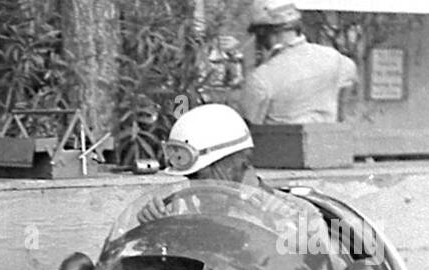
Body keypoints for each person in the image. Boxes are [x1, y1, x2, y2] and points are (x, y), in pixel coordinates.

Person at [107, 103, 329, 256]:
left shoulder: (299, 215)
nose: (195, 185)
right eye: (190, 177)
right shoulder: (179, 211)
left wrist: (275, 226)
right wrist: (153, 231)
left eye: (201, 175)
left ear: (233, 161)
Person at [239, 0, 358, 126]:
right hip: (328, 143)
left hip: (278, 145)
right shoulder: (336, 59)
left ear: (263, 32)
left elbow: (248, 125)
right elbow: (349, 81)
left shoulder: (261, 78)